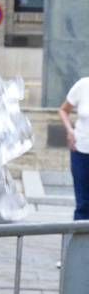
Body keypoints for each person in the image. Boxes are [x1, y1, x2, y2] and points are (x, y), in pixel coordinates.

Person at [59, 75, 89, 220]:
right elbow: (64, 110)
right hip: (81, 150)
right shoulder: (83, 85)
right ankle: (80, 241)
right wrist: (70, 131)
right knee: (83, 203)